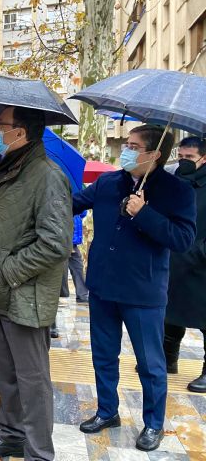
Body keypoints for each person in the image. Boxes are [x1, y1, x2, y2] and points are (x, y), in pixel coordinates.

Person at [73, 125, 196, 452]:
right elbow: (72, 202)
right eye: (125, 144)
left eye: (132, 145)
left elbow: (183, 239)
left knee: (150, 363)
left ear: (153, 154)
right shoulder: (108, 182)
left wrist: (145, 214)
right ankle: (106, 411)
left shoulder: (177, 191)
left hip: (143, 293)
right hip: (102, 286)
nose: (124, 151)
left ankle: (154, 424)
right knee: (103, 354)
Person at [0, 107, 73, 461]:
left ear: (21, 133)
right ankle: (11, 435)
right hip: (1, 293)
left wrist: (10, 270)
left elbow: (55, 243)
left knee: (33, 380)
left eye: (2, 125)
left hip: (25, 296)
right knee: (8, 374)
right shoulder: (11, 170)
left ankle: (39, 452)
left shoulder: (46, 176)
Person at [164, 136, 206, 392]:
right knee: (170, 313)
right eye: (181, 157)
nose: (183, 162)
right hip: (173, 258)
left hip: (201, 264)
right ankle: (168, 358)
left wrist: (198, 253)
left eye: (189, 158)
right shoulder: (175, 182)